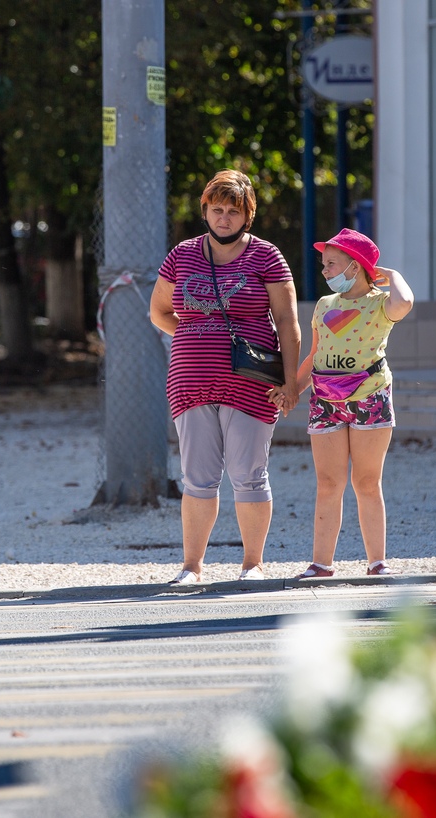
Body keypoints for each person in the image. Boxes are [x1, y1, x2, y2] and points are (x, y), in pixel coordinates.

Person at [149, 169, 301, 584]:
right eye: (216, 209)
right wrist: (193, 333)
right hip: (190, 381)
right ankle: (191, 568)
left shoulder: (267, 256)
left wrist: (290, 383)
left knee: (249, 474)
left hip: (251, 383)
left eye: (233, 211)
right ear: (205, 210)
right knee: (197, 477)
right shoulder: (181, 254)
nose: (224, 218)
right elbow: (159, 311)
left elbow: (287, 321)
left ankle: (253, 565)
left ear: (247, 215)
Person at [275, 228, 414, 578]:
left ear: (355, 267)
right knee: (328, 483)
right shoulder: (325, 305)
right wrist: (293, 389)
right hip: (325, 401)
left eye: (332, 264)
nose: (325, 271)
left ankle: (377, 562)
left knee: (367, 482)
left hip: (370, 397)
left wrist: (392, 275)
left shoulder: (381, 304)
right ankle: (321, 564)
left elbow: (405, 302)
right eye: (324, 264)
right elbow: (315, 355)